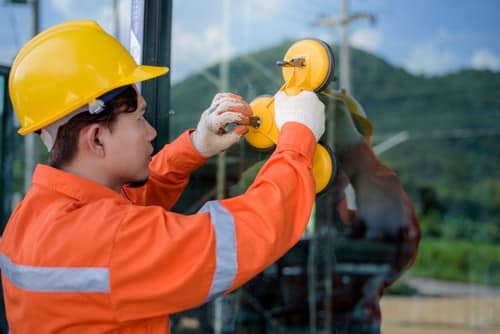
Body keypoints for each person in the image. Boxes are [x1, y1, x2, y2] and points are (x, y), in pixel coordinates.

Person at [0, 20, 326, 333]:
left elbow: (124, 208)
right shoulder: (108, 241)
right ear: (97, 138)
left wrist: (196, 146)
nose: (152, 131)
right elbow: (251, 232)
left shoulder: (32, 217)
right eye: (141, 118)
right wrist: (298, 134)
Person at [231, 94, 420, 334]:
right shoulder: (257, 221)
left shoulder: (361, 227)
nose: (323, 160)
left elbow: (396, 237)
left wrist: (352, 150)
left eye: (336, 149)